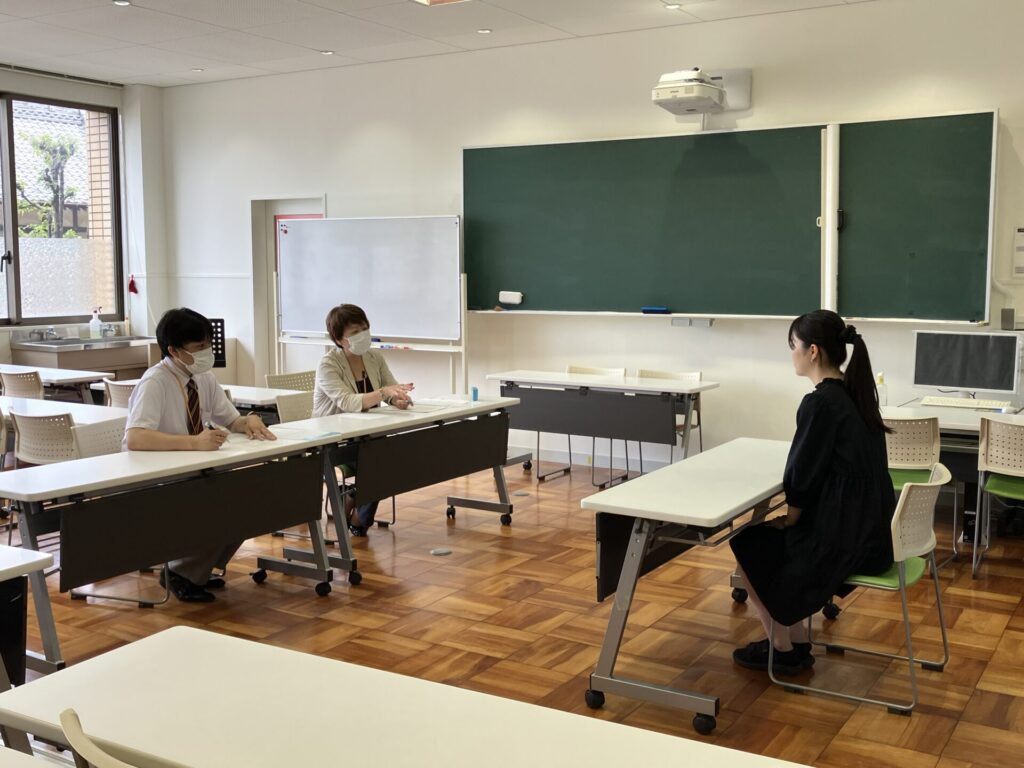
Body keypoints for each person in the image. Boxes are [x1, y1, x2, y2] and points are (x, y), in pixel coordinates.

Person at [730, 309, 895, 675]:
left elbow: (801, 476)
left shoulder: (820, 403)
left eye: (794, 346)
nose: (792, 354)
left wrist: (791, 520)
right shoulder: (856, 395)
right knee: (771, 542)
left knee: (748, 546)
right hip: (873, 534)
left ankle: (782, 648)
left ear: (813, 351)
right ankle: (796, 641)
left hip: (847, 540)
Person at [124, 307, 276, 603]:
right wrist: (193, 443)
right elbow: (135, 437)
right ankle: (182, 573)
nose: (207, 352)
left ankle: (195, 570)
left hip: (194, 470)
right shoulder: (155, 381)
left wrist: (249, 421)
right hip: (158, 477)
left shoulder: (203, 376)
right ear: (174, 350)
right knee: (225, 503)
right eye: (199, 347)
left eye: (208, 344)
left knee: (251, 500)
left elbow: (231, 420)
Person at [314, 304, 414, 536]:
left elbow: (389, 389)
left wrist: (398, 399)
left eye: (365, 328)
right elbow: (348, 402)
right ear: (339, 339)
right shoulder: (328, 364)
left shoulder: (374, 357)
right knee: (382, 462)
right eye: (355, 332)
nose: (363, 335)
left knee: (395, 457)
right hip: (334, 438)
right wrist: (384, 393)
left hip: (366, 434)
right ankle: (358, 518)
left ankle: (352, 499)